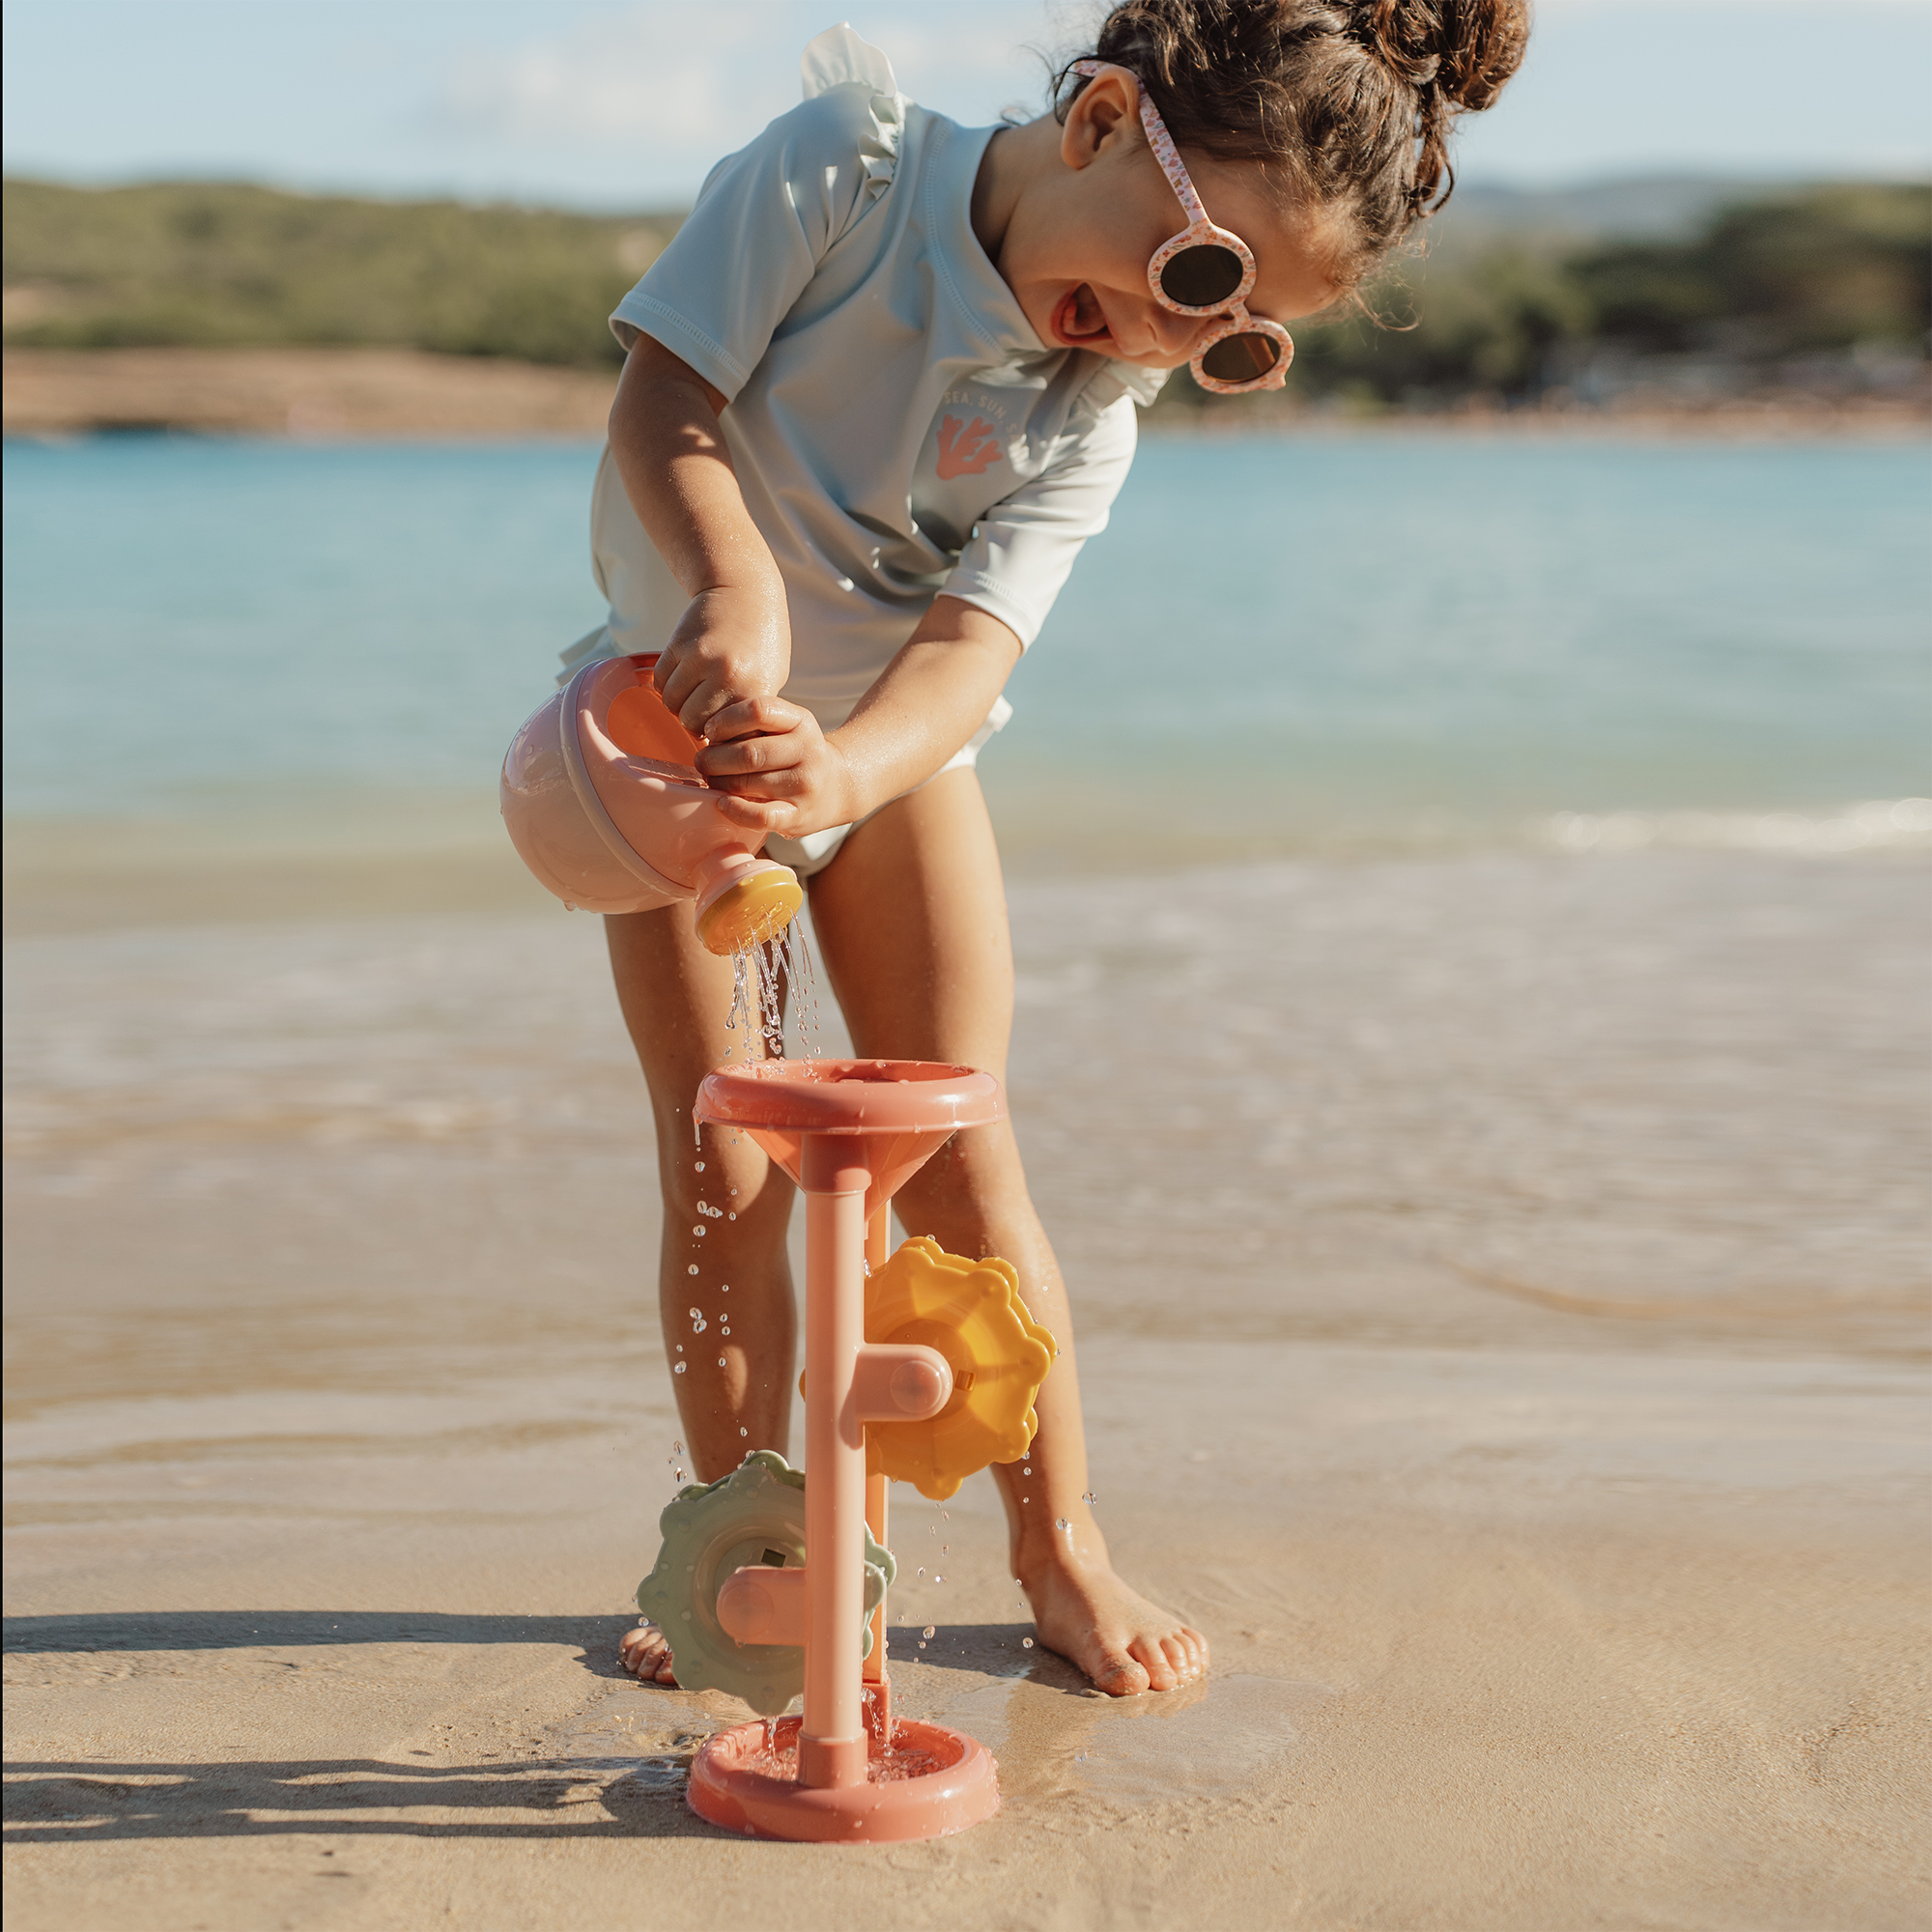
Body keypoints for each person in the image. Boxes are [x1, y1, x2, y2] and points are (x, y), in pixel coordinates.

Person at [589, 0, 1527, 1697]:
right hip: (675, 738)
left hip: (885, 753)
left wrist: (844, 775)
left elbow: (965, 658)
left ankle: (1060, 1545)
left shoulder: (1092, 411)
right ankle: (749, 1540)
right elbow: (666, 403)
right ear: (1101, 122)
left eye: (1242, 343)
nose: (1180, 345)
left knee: (961, 1147)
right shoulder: (848, 177)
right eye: (1195, 280)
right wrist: (732, 597)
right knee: (720, 1158)